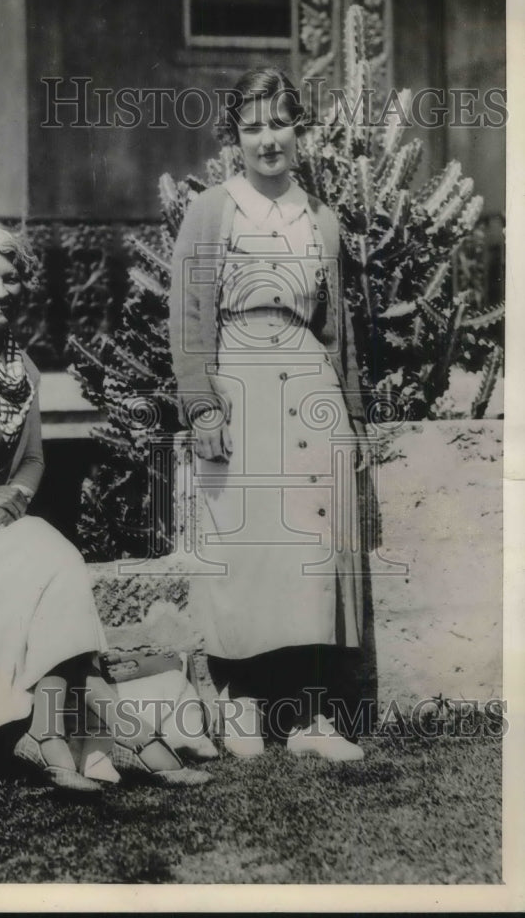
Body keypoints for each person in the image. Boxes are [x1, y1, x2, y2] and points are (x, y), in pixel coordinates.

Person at [0, 227, 210, 792]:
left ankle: (61, 748)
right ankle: (136, 742)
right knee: (53, 561)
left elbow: (33, 460)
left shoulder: (21, 366)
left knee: (55, 566)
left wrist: (13, 503)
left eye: (11, 278)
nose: (1, 291)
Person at [168, 69, 375, 761]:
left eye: (279, 124)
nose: (267, 140)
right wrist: (201, 407)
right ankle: (241, 708)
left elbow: (338, 332)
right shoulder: (212, 212)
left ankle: (312, 718)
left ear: (299, 130)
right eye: (252, 127)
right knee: (249, 550)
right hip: (240, 382)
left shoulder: (321, 219)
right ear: (235, 137)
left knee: (313, 557)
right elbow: (189, 320)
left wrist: (352, 420)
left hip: (310, 390)